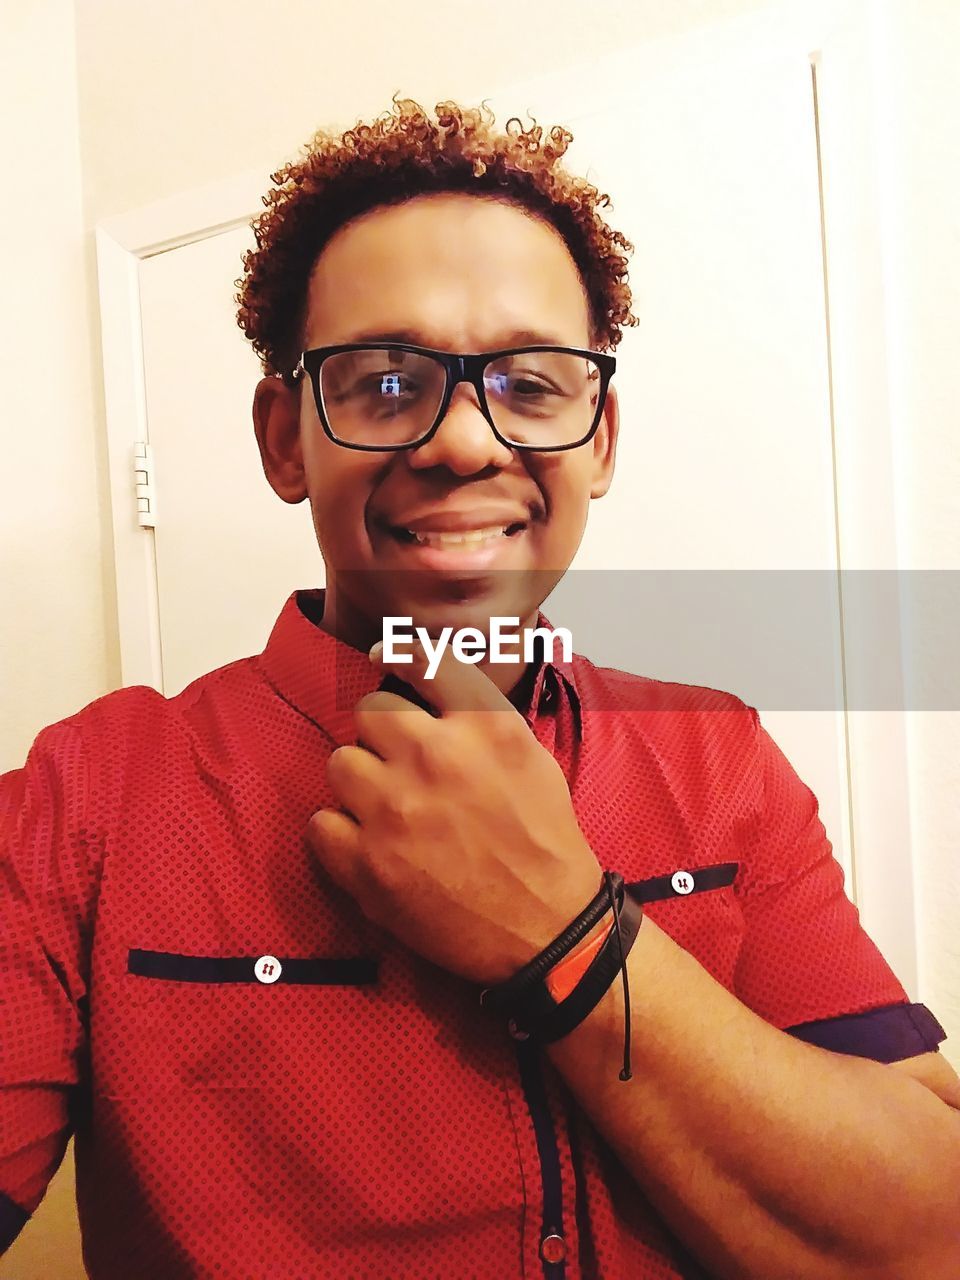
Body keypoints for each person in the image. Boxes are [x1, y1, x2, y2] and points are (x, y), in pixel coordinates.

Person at [1, 98, 958, 1280]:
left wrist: (570, 932)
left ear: (599, 439)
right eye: (387, 382)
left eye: (533, 385)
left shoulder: (721, 756)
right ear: (284, 439)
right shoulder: (85, 799)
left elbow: (929, 1234)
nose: (462, 443)